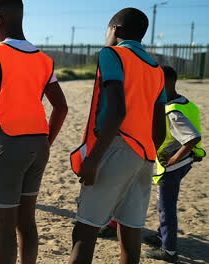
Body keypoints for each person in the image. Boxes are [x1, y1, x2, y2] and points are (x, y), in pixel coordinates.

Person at [69, 8, 167, 264]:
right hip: (144, 155)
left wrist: (93, 160)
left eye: (107, 29)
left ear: (116, 30)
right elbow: (161, 128)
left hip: (115, 147)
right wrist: (147, 155)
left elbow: (117, 110)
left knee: (84, 231)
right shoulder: (156, 69)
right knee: (130, 236)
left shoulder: (112, 54)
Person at [0, 1, 68, 263]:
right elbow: (61, 107)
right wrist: (46, 141)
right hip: (38, 145)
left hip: (8, 143)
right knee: (26, 222)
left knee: (3, 226)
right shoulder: (43, 59)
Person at [144, 66, 205, 262]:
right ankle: (161, 235)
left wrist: (173, 159)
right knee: (166, 204)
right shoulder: (184, 102)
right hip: (185, 161)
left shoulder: (171, 111)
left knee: (166, 207)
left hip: (173, 167)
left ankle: (168, 250)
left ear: (165, 83)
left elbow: (192, 138)